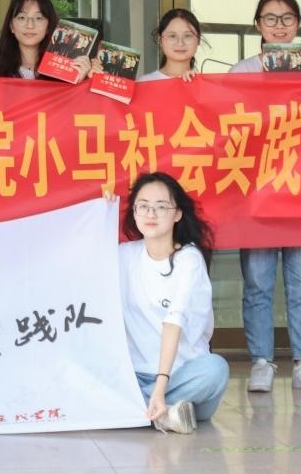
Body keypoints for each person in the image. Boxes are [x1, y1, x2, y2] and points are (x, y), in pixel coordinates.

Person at [228, 0, 301, 394]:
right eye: (270, 19)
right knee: (257, 283)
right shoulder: (242, 72)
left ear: (298, 24)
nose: (279, 26)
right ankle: (261, 361)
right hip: (256, 194)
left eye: (287, 18)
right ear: (258, 25)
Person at [120, 171, 229, 434]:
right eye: (143, 206)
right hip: (135, 377)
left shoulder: (189, 259)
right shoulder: (123, 256)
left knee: (215, 369)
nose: (151, 214)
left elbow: (174, 321)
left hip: (185, 378)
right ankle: (166, 414)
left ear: (177, 214)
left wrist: (160, 388)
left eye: (161, 207)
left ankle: (142, 409)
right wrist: (102, 213)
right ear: (134, 212)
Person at [0, 0, 90, 83]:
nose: (30, 25)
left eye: (38, 18)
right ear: (11, 26)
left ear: (48, 27)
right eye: (22, 17)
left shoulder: (66, 69)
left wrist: (79, 82)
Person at [138, 8, 203, 82]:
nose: (180, 43)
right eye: (172, 36)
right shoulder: (145, 82)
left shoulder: (205, 84)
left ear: (198, 40)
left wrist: (196, 83)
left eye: (187, 36)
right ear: (160, 40)